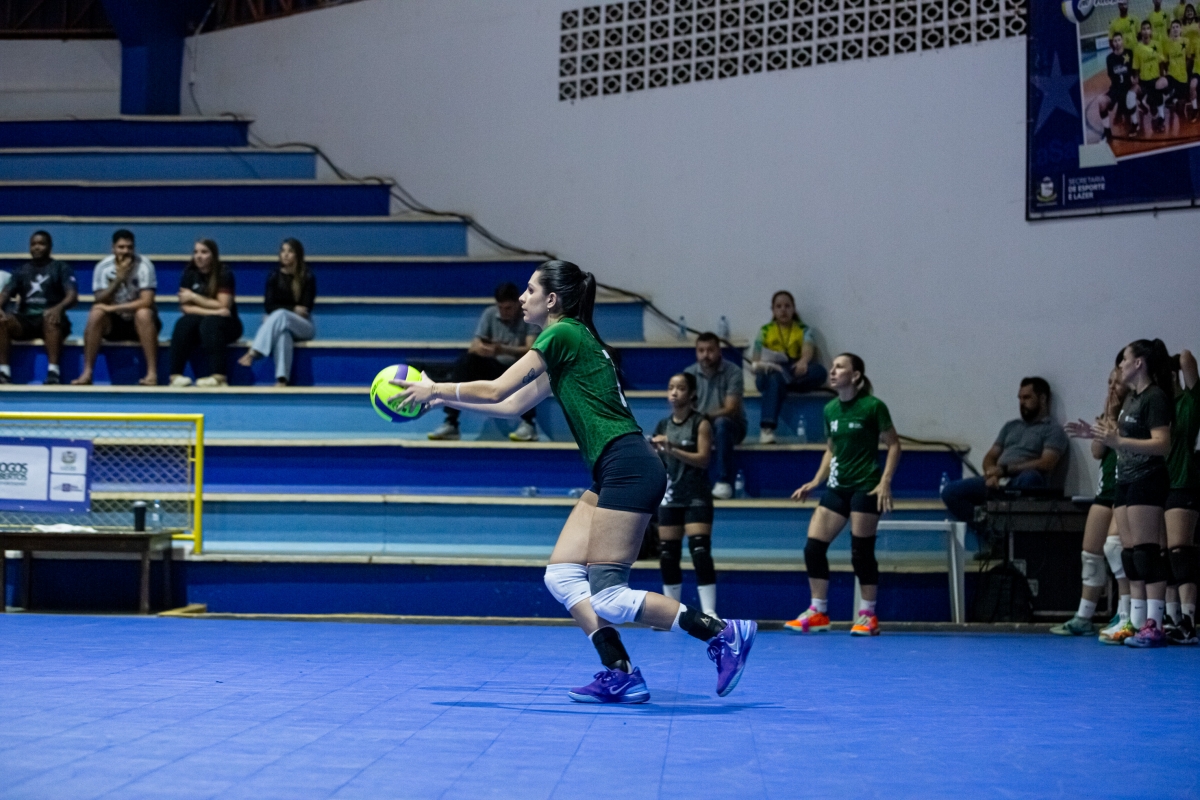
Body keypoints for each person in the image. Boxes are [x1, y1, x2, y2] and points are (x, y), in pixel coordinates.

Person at [393, 260, 755, 704]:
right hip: (616, 467)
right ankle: (621, 672)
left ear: (552, 300)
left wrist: (437, 389)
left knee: (610, 597)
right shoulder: (571, 343)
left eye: (530, 290)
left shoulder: (561, 333)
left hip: (628, 465)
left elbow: (497, 388)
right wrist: (442, 402)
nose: (522, 297)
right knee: (563, 576)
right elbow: (509, 406)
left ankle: (722, 632)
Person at [785, 353, 901, 636]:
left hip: (866, 487)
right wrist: (816, 481)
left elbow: (894, 445)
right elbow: (831, 449)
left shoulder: (873, 407)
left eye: (839, 367)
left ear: (856, 375)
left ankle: (868, 615)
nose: (833, 371)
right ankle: (818, 611)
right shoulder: (830, 409)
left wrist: (885, 481)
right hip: (838, 487)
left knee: (861, 553)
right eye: (833, 367)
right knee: (813, 548)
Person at [1075, 340, 1174, 648]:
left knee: (1146, 552)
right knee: (1129, 555)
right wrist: (1097, 435)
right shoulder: (1131, 398)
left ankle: (1155, 624)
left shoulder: (1154, 397)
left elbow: (1162, 443)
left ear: (1139, 363)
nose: (1120, 366)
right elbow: (1121, 438)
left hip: (1147, 479)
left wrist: (1118, 442)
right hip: (1126, 479)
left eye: (1124, 360)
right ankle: (1135, 620)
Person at [1056, 361, 1131, 636]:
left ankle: (1125, 614)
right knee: (1090, 554)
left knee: (1117, 550)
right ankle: (1084, 616)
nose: (1112, 387)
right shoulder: (1107, 414)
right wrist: (1107, 417)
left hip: (1126, 489)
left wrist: (1115, 425)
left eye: (1117, 383)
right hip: (1106, 490)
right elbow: (1098, 452)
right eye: (1109, 382)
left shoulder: (1136, 413)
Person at [941, 377, 1069, 531]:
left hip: (1023, 481)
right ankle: (989, 531)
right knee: (950, 492)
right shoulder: (1011, 426)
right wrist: (991, 473)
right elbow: (991, 456)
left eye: (1027, 397)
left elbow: (1047, 463)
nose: (1022, 402)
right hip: (998, 480)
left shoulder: (1052, 430)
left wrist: (1005, 470)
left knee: (1031, 477)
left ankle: (1009, 533)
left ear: (1042, 399)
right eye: (1020, 398)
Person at [427, 282, 541, 442]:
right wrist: (483, 349)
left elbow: (531, 349)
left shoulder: (528, 315)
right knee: (466, 361)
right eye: (500, 307)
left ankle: (528, 424)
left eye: (508, 308)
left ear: (518, 303)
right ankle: (451, 423)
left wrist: (503, 349)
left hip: (517, 370)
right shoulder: (490, 313)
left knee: (531, 367)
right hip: (494, 368)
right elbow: (474, 346)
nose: (504, 312)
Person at [652, 372, 718, 617]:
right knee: (668, 554)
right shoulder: (663, 425)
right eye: (671, 387)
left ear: (691, 394)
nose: (674, 392)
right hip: (671, 496)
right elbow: (659, 460)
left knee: (700, 551)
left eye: (680, 388)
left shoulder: (700, 423)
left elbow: (703, 459)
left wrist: (672, 448)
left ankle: (709, 612)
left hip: (696, 496)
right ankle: (672, 612)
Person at [73, 228, 159, 386]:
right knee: (96, 313)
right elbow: (99, 299)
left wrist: (112, 308)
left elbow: (147, 301)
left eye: (129, 247)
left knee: (144, 313)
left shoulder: (145, 265)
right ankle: (87, 372)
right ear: (113, 248)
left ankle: (152, 373)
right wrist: (118, 279)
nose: (125, 251)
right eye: (121, 247)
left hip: (138, 321)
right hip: (114, 323)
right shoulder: (103, 267)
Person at [750, 290, 827, 444]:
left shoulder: (803, 329)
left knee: (820, 372)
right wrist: (769, 366)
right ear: (773, 310)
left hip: (792, 370)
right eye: (779, 307)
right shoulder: (765, 330)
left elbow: (808, 348)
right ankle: (767, 428)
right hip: (769, 372)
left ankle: (784, 383)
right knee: (774, 379)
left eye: (787, 306)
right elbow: (755, 360)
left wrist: (803, 361)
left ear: (793, 309)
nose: (783, 310)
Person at [0, 231, 77, 385]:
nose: (37, 247)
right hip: (26, 320)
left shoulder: (60, 268)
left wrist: (58, 308)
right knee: (2, 321)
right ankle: (4, 372)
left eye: (41, 244)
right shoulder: (21, 270)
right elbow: (6, 293)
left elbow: (72, 295)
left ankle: (53, 372)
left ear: (50, 247)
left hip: (52, 318)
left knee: (50, 318)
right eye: (34, 244)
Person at [237, 239, 316, 386]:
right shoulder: (273, 275)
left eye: (290, 251)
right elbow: (268, 306)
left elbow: (305, 309)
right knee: (282, 334)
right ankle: (282, 379)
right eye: (283, 251)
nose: (285, 254)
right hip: (283, 323)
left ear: (297, 255)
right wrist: (292, 309)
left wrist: (280, 313)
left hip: (304, 326)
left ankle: (254, 351)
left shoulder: (307, 277)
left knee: (280, 314)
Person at [168, 239, 241, 388]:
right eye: (196, 252)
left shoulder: (224, 273)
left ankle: (219, 377)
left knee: (210, 324)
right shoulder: (189, 273)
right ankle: (175, 376)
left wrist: (194, 297)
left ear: (213, 255)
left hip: (228, 324)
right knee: (184, 323)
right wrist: (214, 311)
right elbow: (186, 308)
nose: (199, 256)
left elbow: (224, 304)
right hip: (204, 321)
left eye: (204, 252)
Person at [1162, 349, 1198, 644]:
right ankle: (1172, 618)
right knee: (1163, 557)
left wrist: (1166, 361)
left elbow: (1186, 357)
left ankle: (1188, 620)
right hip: (1158, 486)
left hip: (1183, 483)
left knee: (1179, 552)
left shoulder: (1189, 402)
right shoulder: (1156, 409)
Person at [685, 332, 747, 499]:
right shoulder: (689, 374)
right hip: (701, 425)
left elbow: (731, 408)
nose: (705, 355)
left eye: (710, 350)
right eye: (701, 350)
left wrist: (703, 418)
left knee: (721, 423)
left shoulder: (733, 372)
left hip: (732, 426)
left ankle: (723, 482)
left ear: (719, 351)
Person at [1131, 21, 1168, 134]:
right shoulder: (1137, 48)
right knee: (1151, 102)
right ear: (1141, 31)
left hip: (1156, 78)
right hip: (1144, 81)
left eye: (1148, 28)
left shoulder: (1157, 44)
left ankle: (1161, 119)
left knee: (1158, 97)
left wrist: (1162, 76)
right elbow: (1136, 66)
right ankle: (1153, 115)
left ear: (1151, 31)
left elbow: (1161, 62)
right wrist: (1136, 78)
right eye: (1144, 29)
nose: (1146, 31)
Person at [1098, 32, 1136, 142]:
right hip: (1116, 89)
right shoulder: (1109, 58)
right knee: (1101, 101)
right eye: (1115, 41)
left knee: (1127, 113)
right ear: (1112, 43)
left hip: (1129, 88)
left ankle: (1135, 120)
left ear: (1122, 41)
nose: (1117, 43)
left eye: (1119, 40)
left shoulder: (1129, 53)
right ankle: (1107, 131)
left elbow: (1134, 71)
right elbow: (1111, 75)